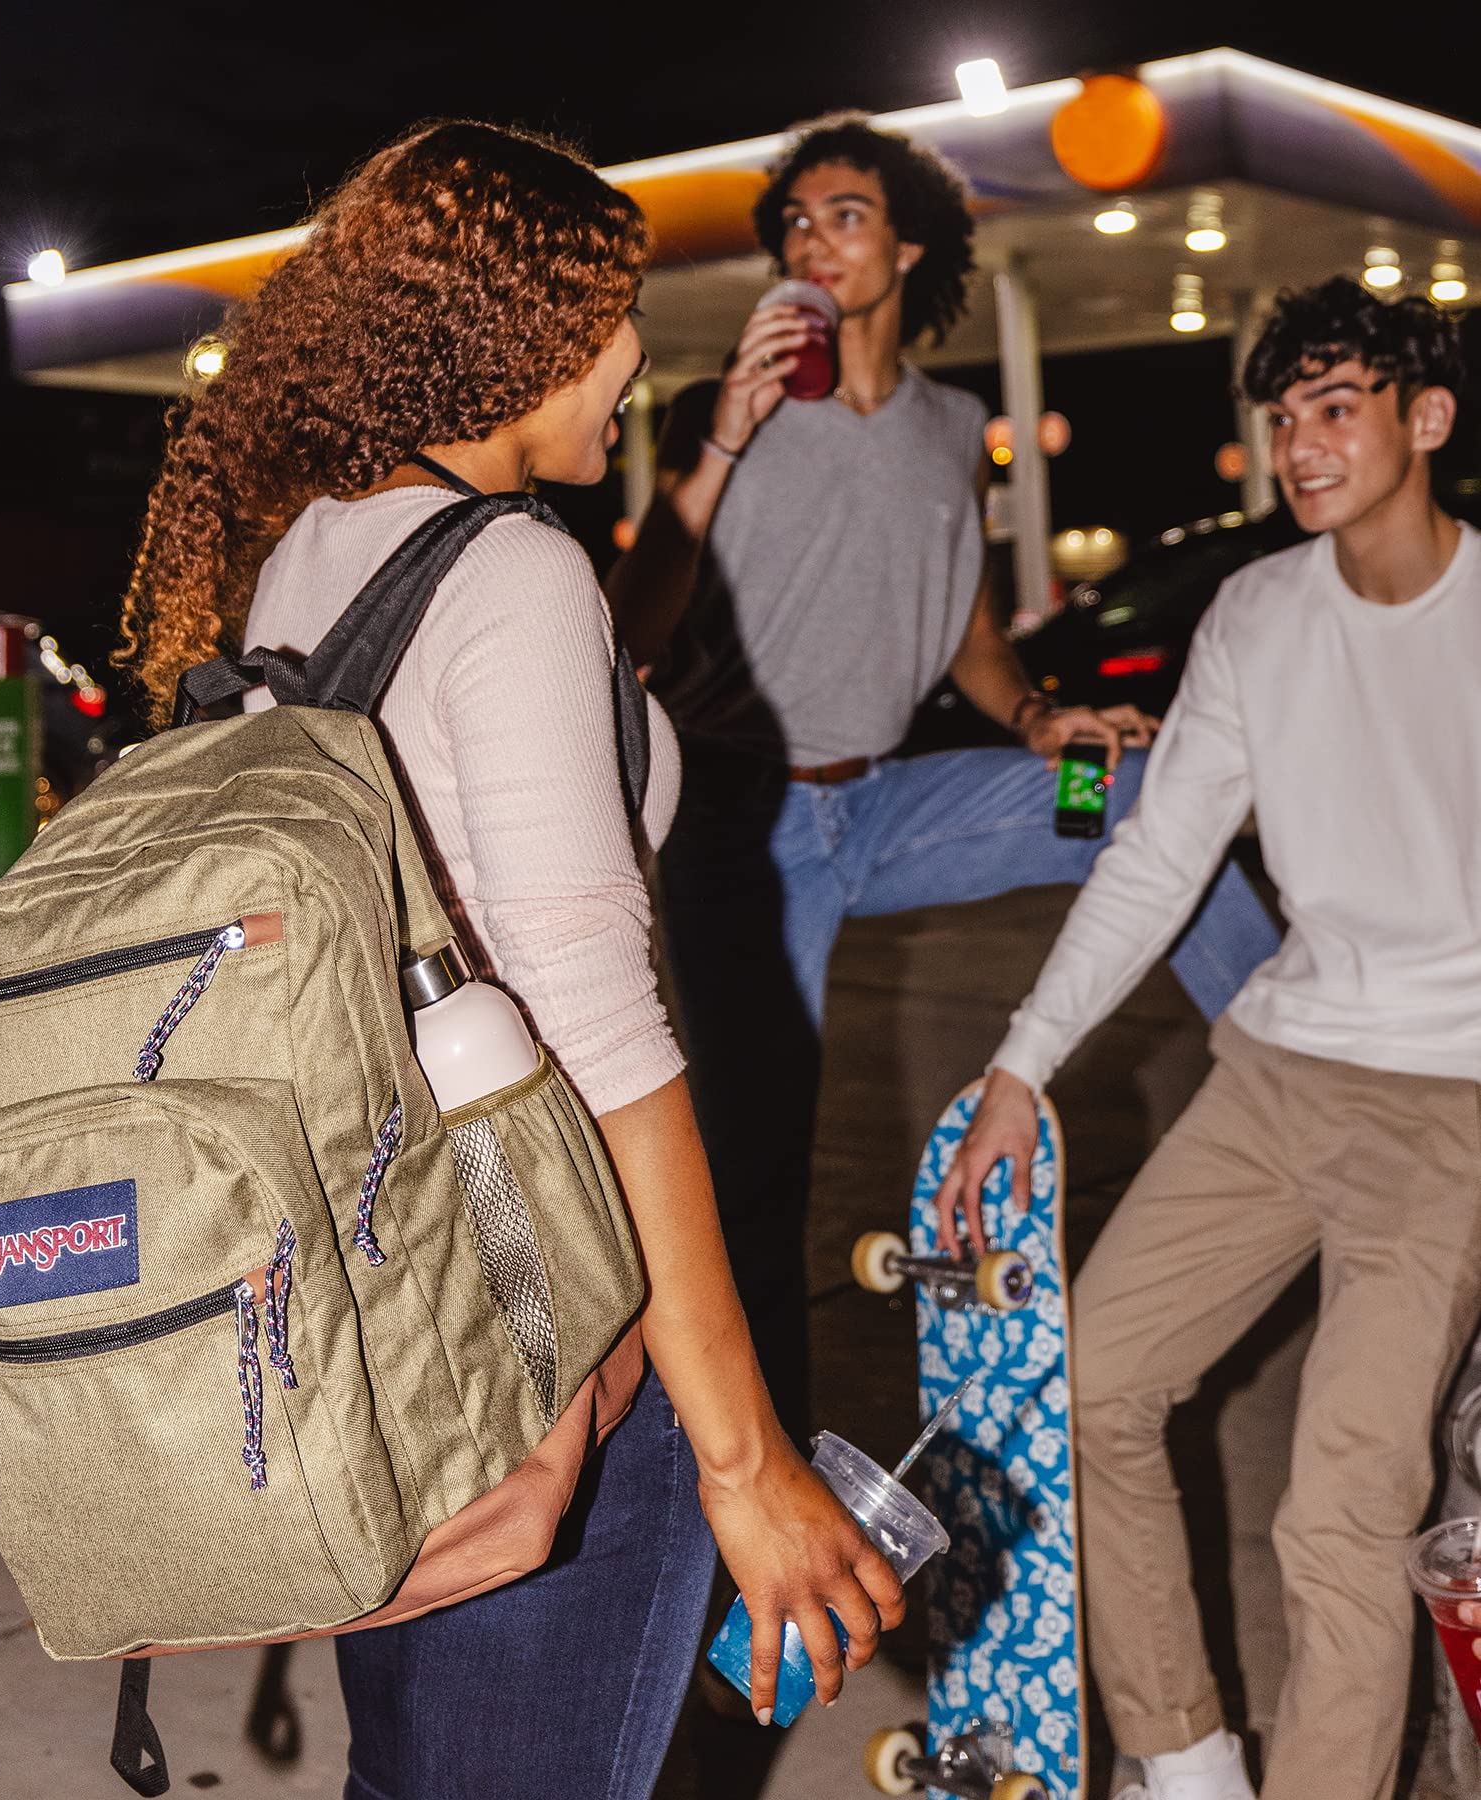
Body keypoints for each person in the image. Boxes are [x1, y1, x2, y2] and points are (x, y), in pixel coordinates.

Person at [114, 122, 903, 1799]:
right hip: (554, 1312)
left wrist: (703, 468)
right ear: (514, 330)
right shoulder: (509, 576)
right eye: (609, 308)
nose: (635, 350)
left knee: (421, 1764)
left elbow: (582, 670)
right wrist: (743, 1460)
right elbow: (605, 1045)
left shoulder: (318, 550)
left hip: (388, 1284)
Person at [606, 114, 1280, 1432]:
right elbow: (634, 623)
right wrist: (727, 436)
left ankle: (1280, 1051)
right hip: (753, 826)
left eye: (841, 216)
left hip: (894, 804)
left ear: (905, 244)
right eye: (794, 224)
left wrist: (1035, 716)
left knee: (1124, 796)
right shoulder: (712, 414)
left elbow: (966, 624)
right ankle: (757, 1473)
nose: (812, 243)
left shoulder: (952, 424)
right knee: (757, 1162)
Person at [934, 276, 1481, 1800]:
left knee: (1339, 1514)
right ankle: (1184, 1761)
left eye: (1338, 406)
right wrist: (1015, 1069)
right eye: (1283, 415)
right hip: (1280, 1074)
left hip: (1456, 1109)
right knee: (1090, 1384)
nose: (1301, 444)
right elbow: (1155, 858)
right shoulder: (1256, 614)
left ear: (1425, 419)